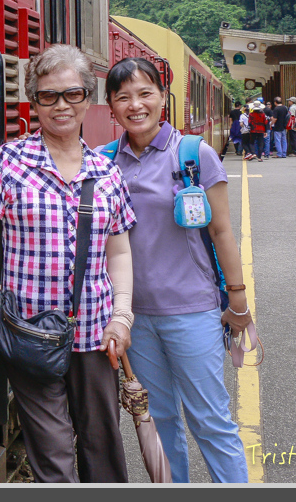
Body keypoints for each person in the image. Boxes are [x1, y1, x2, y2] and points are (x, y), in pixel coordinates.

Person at [0, 44, 135, 483]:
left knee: (102, 443)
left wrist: (122, 316)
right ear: (34, 103)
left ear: (88, 99)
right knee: (53, 454)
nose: (61, 106)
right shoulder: (9, 161)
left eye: (72, 94)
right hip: (30, 334)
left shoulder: (107, 172)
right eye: (48, 96)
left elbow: (118, 252)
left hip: (96, 333)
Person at [102, 57, 251, 483]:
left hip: (192, 310)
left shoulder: (193, 154)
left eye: (145, 93)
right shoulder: (103, 161)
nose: (135, 105)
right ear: (110, 106)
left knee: (211, 421)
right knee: (160, 419)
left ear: (162, 98)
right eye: (123, 97)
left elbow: (221, 231)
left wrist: (238, 300)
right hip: (134, 316)